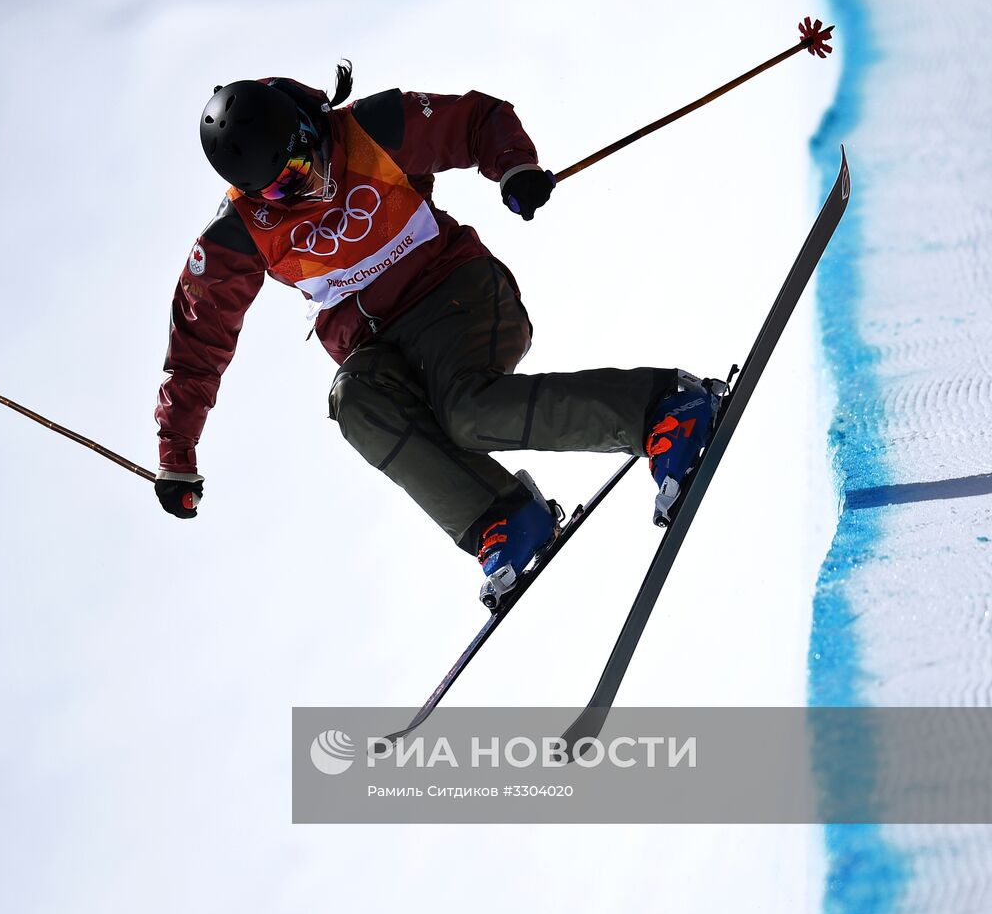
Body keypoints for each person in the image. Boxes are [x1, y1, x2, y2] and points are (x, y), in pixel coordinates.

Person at [153, 62, 722, 605]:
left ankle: (662, 408)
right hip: (382, 350)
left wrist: (514, 166)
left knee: (468, 412)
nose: (307, 185)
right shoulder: (238, 236)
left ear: (309, 128)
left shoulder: (371, 130)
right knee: (354, 402)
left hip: (457, 295)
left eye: (302, 163)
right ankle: (503, 516)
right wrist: (176, 453)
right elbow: (197, 347)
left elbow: (477, 119)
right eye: (280, 189)